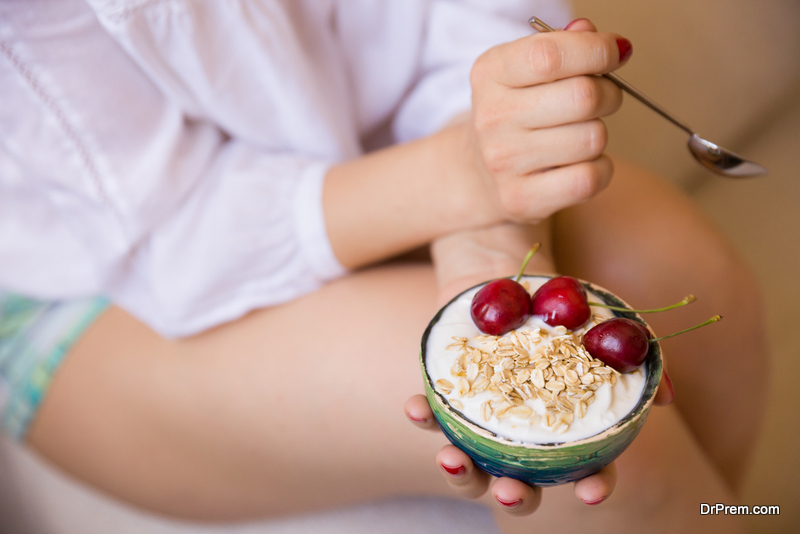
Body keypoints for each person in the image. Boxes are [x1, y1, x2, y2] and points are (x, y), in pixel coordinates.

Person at [0, 1, 765, 532]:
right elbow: (169, 234)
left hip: (373, 137)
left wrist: (484, 242)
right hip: (103, 276)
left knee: (687, 276)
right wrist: (455, 176)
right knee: (630, 467)